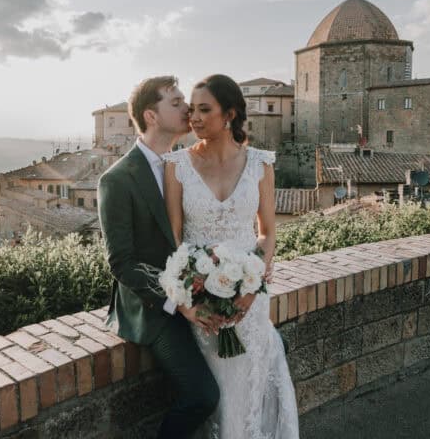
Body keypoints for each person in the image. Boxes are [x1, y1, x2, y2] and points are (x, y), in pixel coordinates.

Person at [163, 74, 299, 438]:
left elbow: (267, 232)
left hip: (249, 301)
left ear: (230, 114)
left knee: (248, 393)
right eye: (191, 110)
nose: (193, 118)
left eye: (204, 110)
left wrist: (253, 284)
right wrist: (186, 300)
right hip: (200, 304)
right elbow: (173, 240)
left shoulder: (260, 163)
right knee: (217, 395)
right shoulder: (175, 166)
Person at [97, 75, 222, 439]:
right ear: (151, 116)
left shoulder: (188, 164)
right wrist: (178, 303)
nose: (188, 108)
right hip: (153, 307)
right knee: (202, 395)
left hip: (199, 287)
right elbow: (121, 262)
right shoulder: (117, 180)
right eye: (177, 102)